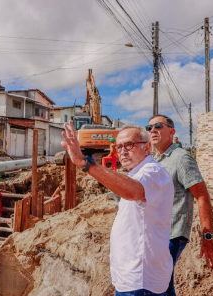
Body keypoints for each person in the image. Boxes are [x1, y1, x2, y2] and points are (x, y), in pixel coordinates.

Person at [61, 121, 174, 296]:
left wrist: (86, 163)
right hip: (133, 278)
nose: (122, 151)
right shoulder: (137, 173)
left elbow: (133, 191)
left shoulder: (152, 171)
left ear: (147, 147)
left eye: (129, 145)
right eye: (118, 146)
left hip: (141, 281)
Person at [146, 115, 213, 296]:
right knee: (163, 284)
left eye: (158, 126)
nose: (152, 130)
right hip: (157, 234)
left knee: (157, 284)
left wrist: (208, 238)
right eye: (149, 128)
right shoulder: (158, 161)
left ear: (171, 131)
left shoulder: (181, 158)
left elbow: (202, 196)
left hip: (172, 234)